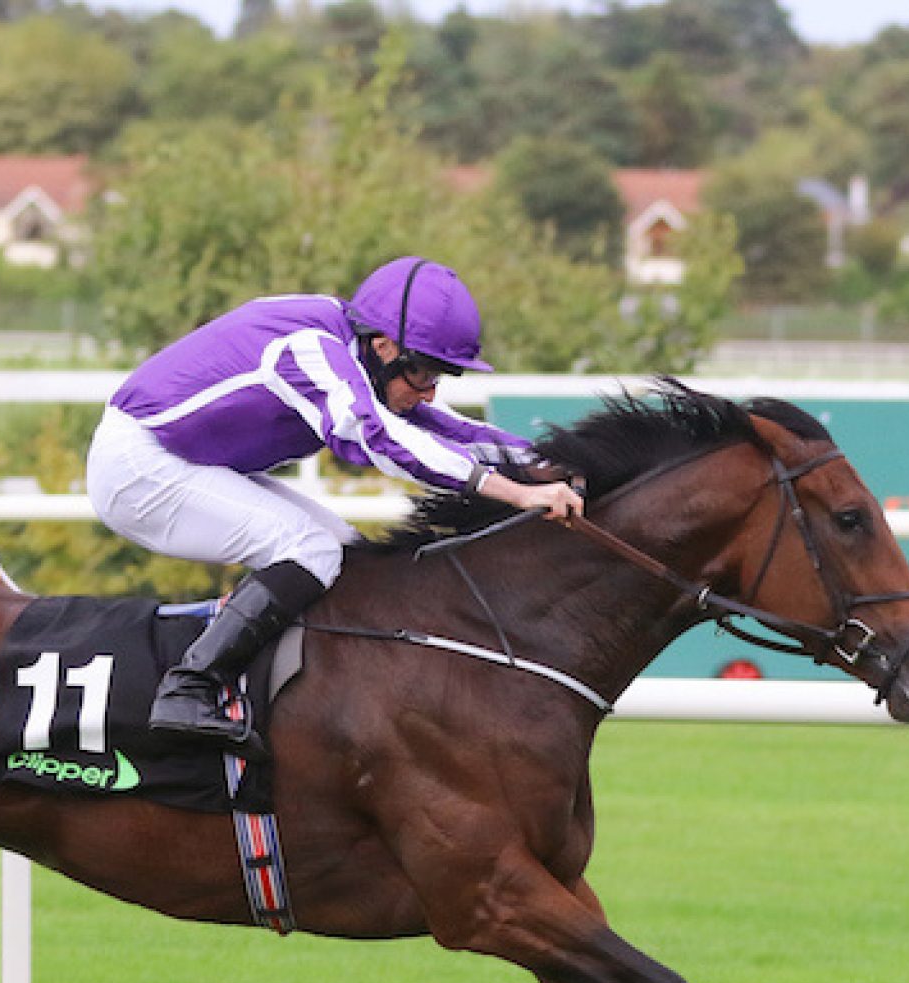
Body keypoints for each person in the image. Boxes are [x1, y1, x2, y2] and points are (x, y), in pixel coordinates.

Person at [86, 255, 584, 752]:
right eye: (426, 374)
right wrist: (518, 492)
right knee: (308, 550)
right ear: (385, 346)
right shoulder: (310, 350)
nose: (431, 392)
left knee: (345, 557)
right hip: (139, 466)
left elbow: (449, 429)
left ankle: (299, 704)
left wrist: (560, 463)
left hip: (186, 459)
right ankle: (187, 690)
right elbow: (377, 438)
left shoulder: (359, 350)